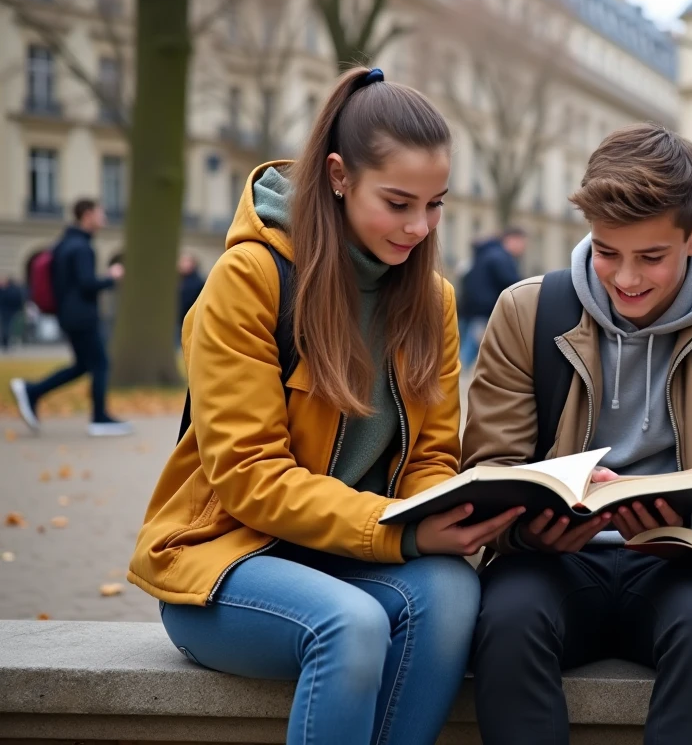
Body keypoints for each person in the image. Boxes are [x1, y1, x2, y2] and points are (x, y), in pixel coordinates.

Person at [127, 67, 525, 745]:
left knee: (454, 593)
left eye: (435, 205)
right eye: (398, 203)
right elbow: (250, 476)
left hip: (349, 557)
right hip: (225, 562)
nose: (419, 227)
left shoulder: (432, 299)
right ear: (339, 176)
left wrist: (452, 512)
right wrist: (399, 533)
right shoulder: (251, 278)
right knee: (352, 624)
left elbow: (430, 457)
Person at [463, 123, 692, 745]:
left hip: (685, 565)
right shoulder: (526, 311)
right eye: (607, 252)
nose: (627, 278)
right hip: (553, 561)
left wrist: (686, 526)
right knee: (506, 621)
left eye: (651, 257)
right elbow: (488, 467)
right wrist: (529, 528)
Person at [9, 199, 131, 436]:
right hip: (82, 316)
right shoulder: (82, 247)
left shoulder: (64, 243)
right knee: (101, 363)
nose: (104, 219)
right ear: (87, 215)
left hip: (68, 314)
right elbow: (86, 284)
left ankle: (32, 391)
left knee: (83, 365)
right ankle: (99, 419)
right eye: (100, 213)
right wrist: (112, 277)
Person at [457, 226, 525, 367]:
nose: (523, 248)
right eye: (521, 243)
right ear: (511, 240)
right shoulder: (500, 258)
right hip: (484, 311)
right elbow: (513, 285)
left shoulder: (485, 255)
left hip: (470, 310)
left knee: (467, 348)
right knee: (469, 350)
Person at [177, 253, 205, 344]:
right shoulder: (180, 279)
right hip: (178, 319)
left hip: (188, 320)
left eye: (186, 261)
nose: (182, 264)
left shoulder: (197, 282)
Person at [0, 276, 23, 351]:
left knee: (5, 327)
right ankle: (7, 342)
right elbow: (19, 300)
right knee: (10, 327)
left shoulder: (5, 290)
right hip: (13, 311)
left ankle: (5, 342)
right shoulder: (16, 290)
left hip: (5, 311)